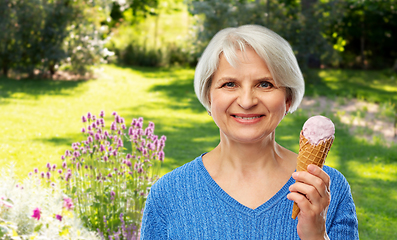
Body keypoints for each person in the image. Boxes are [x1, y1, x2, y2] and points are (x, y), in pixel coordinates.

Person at [140, 25, 359, 239]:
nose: (246, 102)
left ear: (288, 99)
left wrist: (316, 236)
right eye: (229, 84)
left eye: (264, 84)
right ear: (209, 97)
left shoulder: (328, 188)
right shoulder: (168, 193)